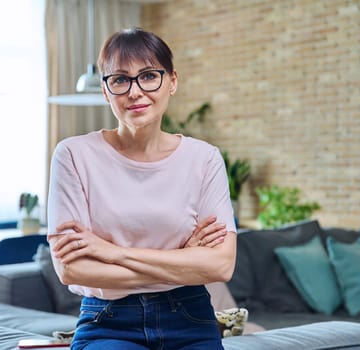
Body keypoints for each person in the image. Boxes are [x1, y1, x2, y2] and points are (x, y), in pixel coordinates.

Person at [47, 27, 237, 350]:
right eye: (120, 80)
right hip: (107, 323)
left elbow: (220, 265)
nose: (135, 92)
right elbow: (70, 269)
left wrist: (113, 253)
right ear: (106, 92)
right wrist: (182, 260)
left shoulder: (204, 159)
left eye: (148, 76)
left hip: (189, 318)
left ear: (172, 81)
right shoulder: (73, 156)